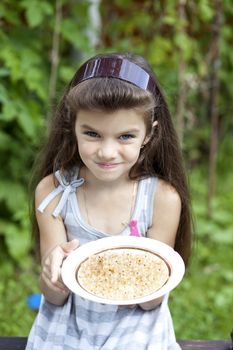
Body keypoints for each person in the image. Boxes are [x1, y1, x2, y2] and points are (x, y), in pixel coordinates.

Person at [26, 52, 192, 350]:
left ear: (149, 134)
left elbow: (151, 302)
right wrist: (52, 278)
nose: (107, 152)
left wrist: (153, 279)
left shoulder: (161, 199)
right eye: (91, 133)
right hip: (68, 329)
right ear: (71, 126)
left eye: (125, 136)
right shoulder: (53, 191)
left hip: (136, 328)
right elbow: (54, 296)